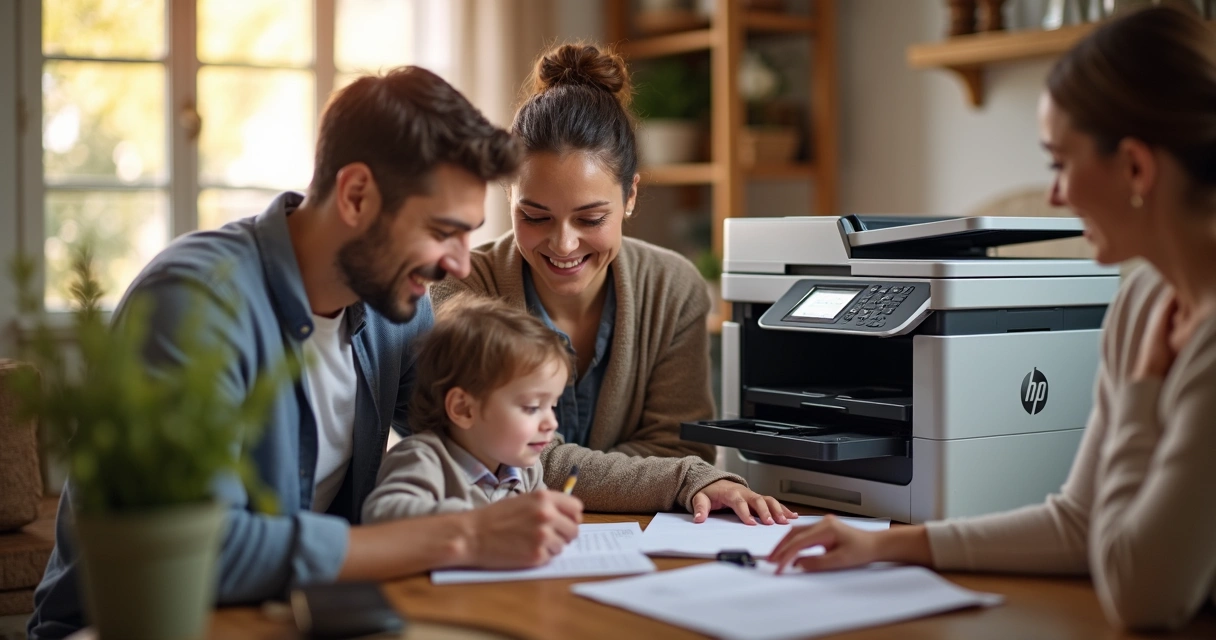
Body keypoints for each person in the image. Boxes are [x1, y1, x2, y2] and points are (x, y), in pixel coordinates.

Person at [30, 67, 585, 639]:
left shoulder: (398, 306)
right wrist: (467, 536)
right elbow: (203, 548)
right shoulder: (196, 305)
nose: (461, 264)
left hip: (303, 617)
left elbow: (481, 424)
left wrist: (671, 480)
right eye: (443, 230)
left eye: (468, 234)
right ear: (356, 195)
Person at [768, 5, 1216, 631]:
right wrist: (885, 545)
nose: (1054, 195)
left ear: (1137, 168)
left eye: (1059, 163)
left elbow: (1143, 597)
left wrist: (1141, 391)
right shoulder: (1143, 303)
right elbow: (1079, 521)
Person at [431, 43, 795, 526]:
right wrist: (655, 477)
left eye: (590, 218)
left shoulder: (672, 287)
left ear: (630, 196)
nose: (563, 244)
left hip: (637, 543)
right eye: (535, 216)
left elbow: (682, 448)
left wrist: (564, 468)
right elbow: (500, 455)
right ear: (509, 195)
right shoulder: (460, 288)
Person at [363, 295, 572, 520]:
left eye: (552, 405)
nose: (552, 423)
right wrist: (477, 522)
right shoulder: (423, 460)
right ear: (463, 409)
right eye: (532, 407)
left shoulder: (527, 470)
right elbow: (381, 515)